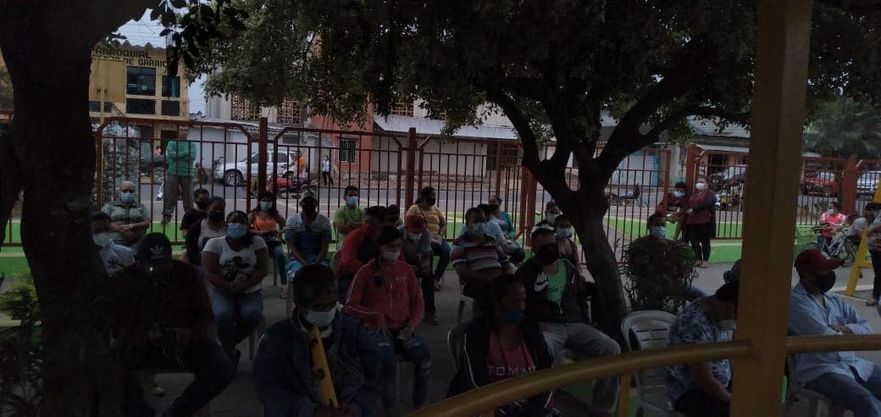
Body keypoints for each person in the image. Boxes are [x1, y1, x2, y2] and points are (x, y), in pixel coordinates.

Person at [111, 233, 234, 417]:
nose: (158, 273)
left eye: (164, 266)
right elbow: (117, 322)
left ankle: (178, 412)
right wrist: (143, 335)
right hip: (139, 344)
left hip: (184, 344)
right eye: (152, 267)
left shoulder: (188, 274)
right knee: (113, 364)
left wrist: (189, 334)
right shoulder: (124, 280)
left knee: (222, 368)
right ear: (139, 262)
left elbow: (206, 315)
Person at [515, 223, 619, 417]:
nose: (550, 250)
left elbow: (580, 296)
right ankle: (544, 406)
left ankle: (602, 409)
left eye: (552, 245)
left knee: (612, 349)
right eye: (544, 247)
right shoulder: (526, 272)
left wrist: (586, 322)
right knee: (545, 353)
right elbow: (519, 304)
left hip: (574, 323)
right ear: (534, 248)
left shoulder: (568, 267)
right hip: (546, 326)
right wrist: (534, 324)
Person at [254, 264, 380, 417]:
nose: (327, 311)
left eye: (332, 305)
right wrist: (312, 412)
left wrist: (355, 407)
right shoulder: (276, 339)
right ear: (299, 303)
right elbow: (270, 391)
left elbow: (376, 379)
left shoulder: (353, 331)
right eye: (319, 307)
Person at [344, 226, 430, 411]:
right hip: (376, 329)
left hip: (404, 327)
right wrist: (375, 316)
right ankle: (386, 407)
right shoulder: (365, 272)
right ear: (379, 247)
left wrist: (411, 325)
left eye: (398, 246)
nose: (395, 251)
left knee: (424, 359)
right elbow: (350, 305)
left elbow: (418, 302)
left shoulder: (406, 270)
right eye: (390, 247)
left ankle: (420, 405)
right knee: (386, 361)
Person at [788, 249, 881, 417]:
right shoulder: (796, 303)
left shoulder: (834, 299)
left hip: (852, 364)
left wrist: (843, 328)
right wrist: (848, 331)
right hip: (820, 371)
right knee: (866, 401)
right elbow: (826, 338)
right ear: (808, 275)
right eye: (825, 271)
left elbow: (866, 328)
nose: (830, 275)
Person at [448, 274, 556, 417]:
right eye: (515, 301)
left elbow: (548, 374)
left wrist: (534, 411)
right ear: (498, 304)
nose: (521, 307)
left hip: (530, 409)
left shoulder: (530, 329)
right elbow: (475, 383)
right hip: (487, 408)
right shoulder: (478, 332)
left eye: (523, 300)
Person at [202, 210, 268, 363]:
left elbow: (262, 269)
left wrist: (246, 285)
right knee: (221, 315)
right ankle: (229, 352)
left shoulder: (257, 242)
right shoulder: (215, 244)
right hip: (223, 290)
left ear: (247, 226)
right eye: (234, 222)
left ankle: (227, 347)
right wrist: (227, 286)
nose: (237, 225)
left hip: (250, 290)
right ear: (226, 224)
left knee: (252, 314)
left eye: (241, 222)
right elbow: (210, 273)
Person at [666, 281, 739, 417]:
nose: (734, 323)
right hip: (692, 394)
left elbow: (729, 355)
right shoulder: (695, 325)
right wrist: (736, 402)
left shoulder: (715, 313)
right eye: (735, 318)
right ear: (729, 308)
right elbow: (705, 380)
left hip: (719, 388)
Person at [452, 207, 511, 313]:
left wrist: (507, 276)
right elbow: (463, 272)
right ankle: (487, 320)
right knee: (491, 292)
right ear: (467, 224)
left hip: (498, 281)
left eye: (483, 221)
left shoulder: (492, 241)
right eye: (476, 222)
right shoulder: (459, 244)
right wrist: (488, 279)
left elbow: (505, 262)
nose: (480, 224)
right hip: (475, 284)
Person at [637, 213, 707, 301]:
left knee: (704, 298)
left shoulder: (671, 245)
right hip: (652, 283)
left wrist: (681, 273)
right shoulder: (642, 245)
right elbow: (639, 268)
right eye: (657, 225)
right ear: (649, 226)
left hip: (674, 282)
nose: (660, 228)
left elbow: (680, 266)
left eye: (663, 225)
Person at [284, 191, 332, 294]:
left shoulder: (324, 221)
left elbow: (324, 247)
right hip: (297, 260)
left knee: (324, 277)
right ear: (300, 204)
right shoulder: (292, 221)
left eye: (312, 201)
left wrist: (315, 263)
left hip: (318, 259)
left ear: (316, 204)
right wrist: (305, 263)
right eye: (306, 201)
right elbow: (292, 247)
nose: (309, 204)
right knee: (298, 276)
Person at [338, 206, 387, 301]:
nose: (368, 225)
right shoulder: (355, 236)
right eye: (366, 222)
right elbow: (348, 261)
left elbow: (398, 257)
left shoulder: (387, 237)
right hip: (353, 277)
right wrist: (370, 273)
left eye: (372, 223)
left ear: (382, 223)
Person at [406, 187, 450, 286]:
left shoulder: (436, 209)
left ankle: (436, 279)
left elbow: (443, 225)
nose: (434, 198)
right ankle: (428, 279)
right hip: (422, 239)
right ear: (424, 197)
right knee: (429, 253)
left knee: (447, 251)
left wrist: (440, 236)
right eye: (432, 196)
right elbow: (409, 224)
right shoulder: (414, 209)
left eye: (434, 196)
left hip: (437, 238)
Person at [400, 215, 437, 325]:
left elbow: (425, 253)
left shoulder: (426, 234)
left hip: (416, 258)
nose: (416, 234)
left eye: (418, 231)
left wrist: (425, 266)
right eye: (413, 231)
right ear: (406, 227)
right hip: (400, 259)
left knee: (428, 277)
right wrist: (407, 267)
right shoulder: (398, 233)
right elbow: (396, 253)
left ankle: (429, 312)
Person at [249, 191, 287, 291]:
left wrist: (279, 232)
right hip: (259, 242)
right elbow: (246, 229)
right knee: (256, 260)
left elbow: (284, 226)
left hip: (274, 243)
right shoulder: (253, 214)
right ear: (259, 202)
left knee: (281, 255)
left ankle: (284, 284)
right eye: (264, 200)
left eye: (269, 201)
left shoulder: (275, 215)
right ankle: (256, 283)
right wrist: (260, 232)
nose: (266, 203)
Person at [162, 125, 198, 225]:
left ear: (188, 132)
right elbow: (171, 155)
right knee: (169, 196)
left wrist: (177, 155)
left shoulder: (192, 144)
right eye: (181, 130)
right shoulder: (172, 142)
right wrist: (185, 153)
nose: (184, 132)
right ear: (178, 131)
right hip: (172, 172)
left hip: (188, 173)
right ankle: (166, 218)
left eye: (186, 130)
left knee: (188, 198)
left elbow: (192, 156)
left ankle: (190, 219)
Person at [101, 180, 151, 246]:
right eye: (125, 191)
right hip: (114, 243)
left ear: (134, 193)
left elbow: (147, 223)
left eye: (131, 191)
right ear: (120, 192)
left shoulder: (141, 207)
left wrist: (131, 226)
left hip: (137, 242)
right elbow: (102, 223)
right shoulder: (109, 206)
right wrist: (122, 230)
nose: (128, 193)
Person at [185, 196, 227, 267]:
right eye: (215, 209)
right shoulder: (195, 228)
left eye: (221, 209)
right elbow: (191, 252)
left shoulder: (228, 228)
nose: (218, 211)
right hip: (202, 264)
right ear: (207, 209)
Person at [685, 177, 716, 268]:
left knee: (705, 241)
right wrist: (688, 210)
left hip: (704, 221)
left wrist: (694, 210)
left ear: (707, 184)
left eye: (702, 182)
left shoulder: (710, 194)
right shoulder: (695, 194)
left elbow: (707, 204)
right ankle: (698, 258)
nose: (699, 184)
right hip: (692, 221)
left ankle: (705, 260)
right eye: (698, 182)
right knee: (693, 240)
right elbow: (688, 203)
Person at [91, 211, 135, 275]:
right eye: (98, 230)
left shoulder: (126, 253)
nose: (103, 233)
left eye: (106, 229)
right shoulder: (81, 259)